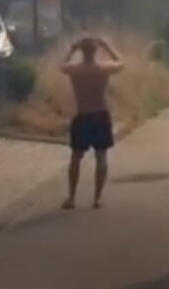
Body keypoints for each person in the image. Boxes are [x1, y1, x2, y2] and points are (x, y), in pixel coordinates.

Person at [59, 36, 124, 210]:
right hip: (100, 114)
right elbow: (120, 62)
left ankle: (72, 197)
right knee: (101, 157)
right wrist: (107, 46)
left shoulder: (76, 70)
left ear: (82, 51)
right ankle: (97, 197)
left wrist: (73, 48)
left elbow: (61, 65)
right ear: (96, 51)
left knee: (76, 158)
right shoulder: (102, 69)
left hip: (83, 115)